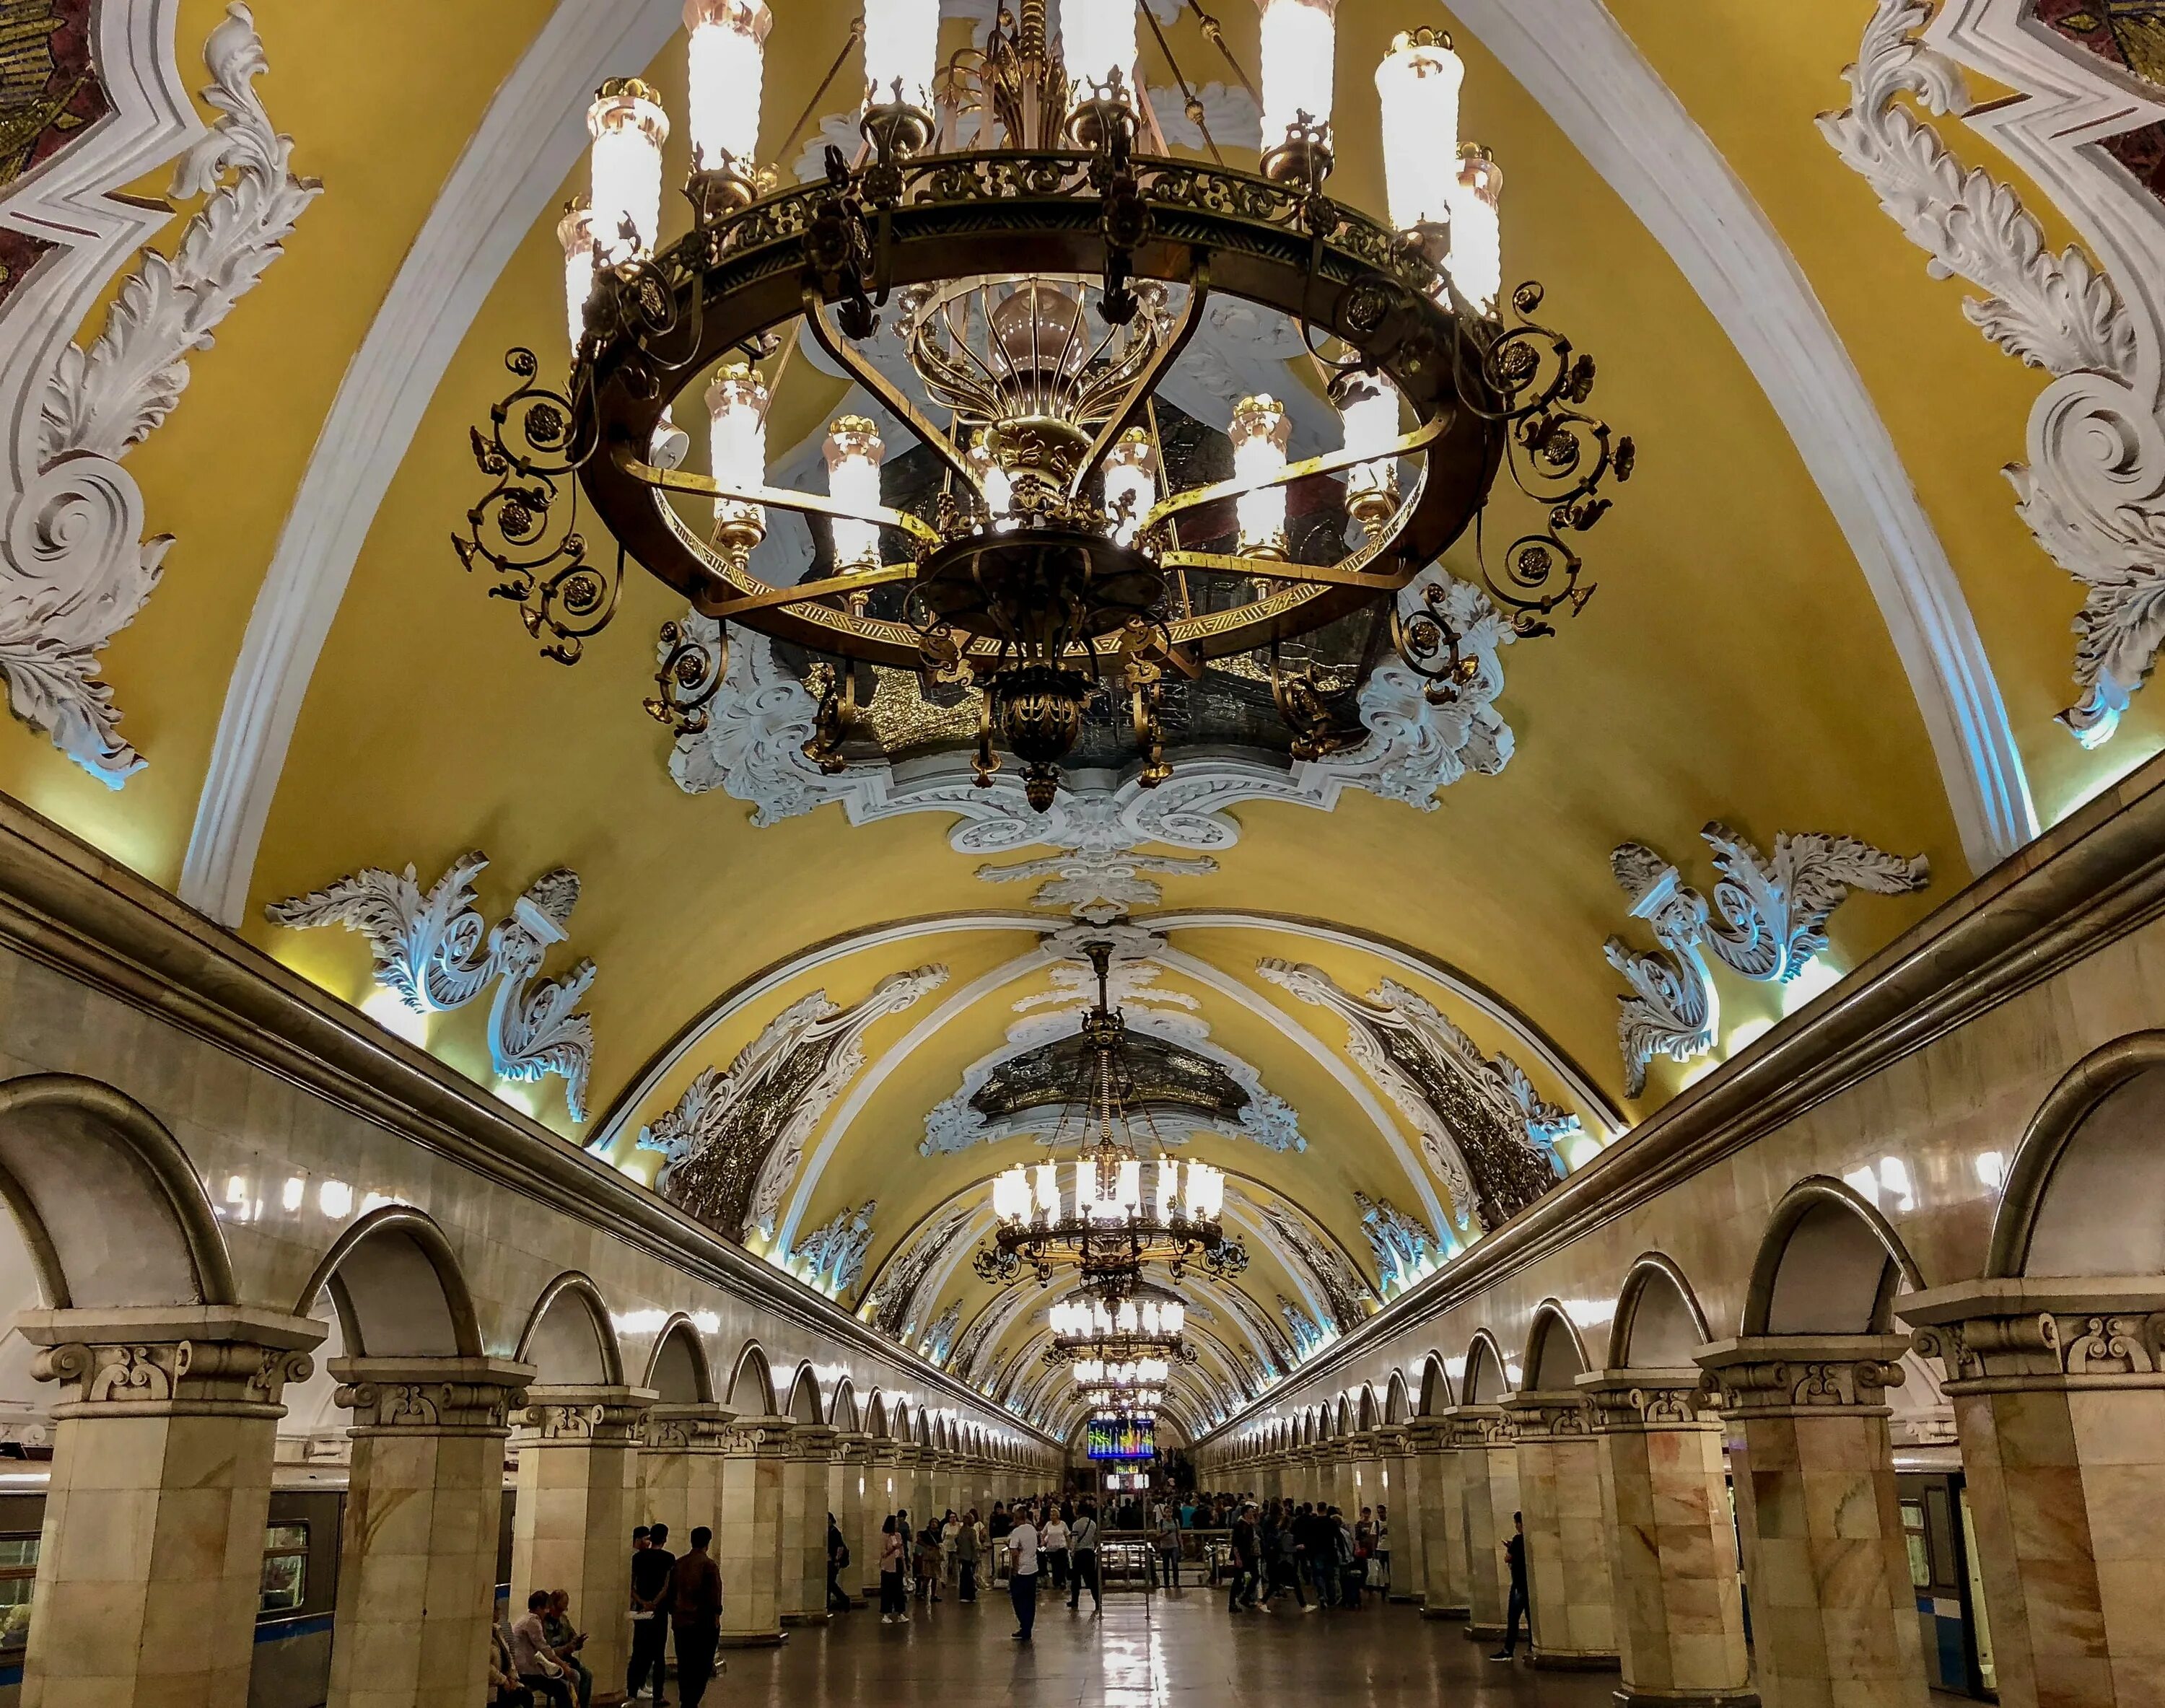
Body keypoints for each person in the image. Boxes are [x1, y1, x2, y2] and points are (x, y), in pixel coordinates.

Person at [670, 1525, 723, 1708]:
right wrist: (716, 1617)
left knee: (684, 1663)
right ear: (708, 1543)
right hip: (702, 1623)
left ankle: (685, 1698)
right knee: (702, 1664)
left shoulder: (679, 1563)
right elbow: (714, 1594)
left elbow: (671, 1591)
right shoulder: (709, 1565)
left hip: (681, 1622)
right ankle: (692, 1700)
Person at [628, 1522, 675, 1704]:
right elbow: (667, 1585)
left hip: (641, 1610)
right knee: (658, 1654)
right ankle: (658, 1695)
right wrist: (654, 1603)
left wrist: (642, 1602)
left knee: (638, 1650)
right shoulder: (669, 1558)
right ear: (664, 1538)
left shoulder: (638, 1558)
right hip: (659, 1611)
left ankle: (632, 1691)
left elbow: (631, 1585)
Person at [511, 1590, 577, 1708]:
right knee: (561, 1688)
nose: (548, 1611)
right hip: (526, 1671)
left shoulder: (527, 1619)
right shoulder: (532, 1622)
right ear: (538, 1608)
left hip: (527, 1667)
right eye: (546, 1608)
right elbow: (544, 1649)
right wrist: (564, 1666)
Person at [542, 1590, 592, 1708]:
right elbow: (546, 1650)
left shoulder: (564, 1620)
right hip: (552, 1662)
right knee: (576, 1676)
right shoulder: (543, 1623)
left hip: (566, 1658)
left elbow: (572, 1638)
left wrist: (577, 1642)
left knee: (587, 1675)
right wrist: (565, 1649)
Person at [1491, 1511, 1529, 1660]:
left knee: (1513, 1618)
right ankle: (1532, 1647)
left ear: (1520, 1524)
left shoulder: (1518, 1540)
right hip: (1528, 1585)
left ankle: (1508, 1650)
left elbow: (1508, 1558)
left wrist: (1510, 1548)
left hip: (1519, 1585)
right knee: (1531, 1619)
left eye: (1516, 1523)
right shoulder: (1529, 1539)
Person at [1006, 1503, 1040, 1641]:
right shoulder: (1032, 1529)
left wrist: (1014, 1571)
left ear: (1016, 1518)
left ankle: (1024, 1626)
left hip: (1021, 1570)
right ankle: (1028, 1627)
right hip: (1033, 1568)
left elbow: (1014, 1553)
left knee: (1018, 1600)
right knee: (1030, 1600)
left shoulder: (1016, 1532)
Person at [1067, 1501, 1101, 1613]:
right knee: (1091, 1579)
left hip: (1079, 1554)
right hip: (1090, 1554)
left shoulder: (1076, 1524)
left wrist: (1072, 1552)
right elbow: (1095, 1538)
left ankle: (1075, 1601)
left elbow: (1074, 1540)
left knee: (1076, 1579)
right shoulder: (1093, 1524)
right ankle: (1097, 1601)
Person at [490, 1623, 533, 1707]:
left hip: (507, 1679)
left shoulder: (498, 1631)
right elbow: (487, 1668)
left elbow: (509, 1656)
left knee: (527, 1696)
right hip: (494, 1684)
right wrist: (503, 1680)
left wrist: (513, 1678)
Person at [1227, 1502, 1259, 1611]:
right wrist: (1238, 1558)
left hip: (1248, 1556)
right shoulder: (1239, 1526)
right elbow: (1235, 1544)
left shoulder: (1249, 1525)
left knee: (1256, 1576)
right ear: (1245, 1513)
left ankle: (1245, 1597)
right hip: (1241, 1556)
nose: (1252, 1514)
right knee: (1237, 1580)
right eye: (1251, 1512)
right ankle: (1232, 1603)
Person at [879, 1515, 909, 1623]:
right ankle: (886, 1614)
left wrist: (904, 1565)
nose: (897, 1525)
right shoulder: (884, 1536)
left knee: (899, 1590)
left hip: (898, 1563)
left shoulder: (898, 1535)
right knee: (887, 1590)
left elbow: (902, 1553)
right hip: (888, 1566)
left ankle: (900, 1612)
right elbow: (884, 1553)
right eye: (896, 1523)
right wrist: (893, 1548)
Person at [914, 1512, 943, 1603]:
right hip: (928, 1555)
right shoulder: (926, 1533)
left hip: (936, 1556)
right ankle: (922, 1592)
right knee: (927, 1576)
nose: (934, 1524)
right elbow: (919, 1541)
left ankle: (933, 1595)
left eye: (936, 1522)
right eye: (933, 1522)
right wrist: (926, 1546)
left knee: (935, 1576)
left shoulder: (938, 1533)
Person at [827, 1512, 853, 1611]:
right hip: (830, 1561)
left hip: (833, 1561)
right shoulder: (830, 1531)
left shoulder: (834, 1532)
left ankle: (843, 1600)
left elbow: (840, 1547)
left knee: (830, 1583)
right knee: (830, 1583)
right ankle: (841, 1601)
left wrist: (837, 1560)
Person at [955, 1506, 981, 1602]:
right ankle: (968, 1595)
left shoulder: (963, 1531)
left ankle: (966, 1595)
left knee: (966, 1576)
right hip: (967, 1556)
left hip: (966, 1556)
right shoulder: (970, 1531)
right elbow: (975, 1545)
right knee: (967, 1576)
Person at [1041, 1506, 1070, 1595]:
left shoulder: (1063, 1524)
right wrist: (1043, 1541)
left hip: (1061, 1547)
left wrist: (1069, 1546)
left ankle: (1062, 1582)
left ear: (1057, 1516)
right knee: (1055, 1566)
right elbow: (1043, 1533)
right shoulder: (1048, 1524)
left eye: (1053, 1515)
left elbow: (1067, 1535)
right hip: (1051, 1548)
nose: (1052, 1517)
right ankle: (1056, 1582)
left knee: (1062, 1566)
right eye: (1051, 1515)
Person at [1155, 1507, 1182, 1590]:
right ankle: (1167, 1583)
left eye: (1170, 1512)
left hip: (1174, 1546)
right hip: (1165, 1547)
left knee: (1175, 1564)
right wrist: (1166, 1533)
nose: (1169, 1514)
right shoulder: (1161, 1522)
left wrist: (1181, 1544)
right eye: (1167, 1512)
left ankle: (1176, 1582)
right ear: (1164, 1513)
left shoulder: (1175, 1521)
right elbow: (1158, 1535)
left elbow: (1179, 1534)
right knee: (1165, 1565)